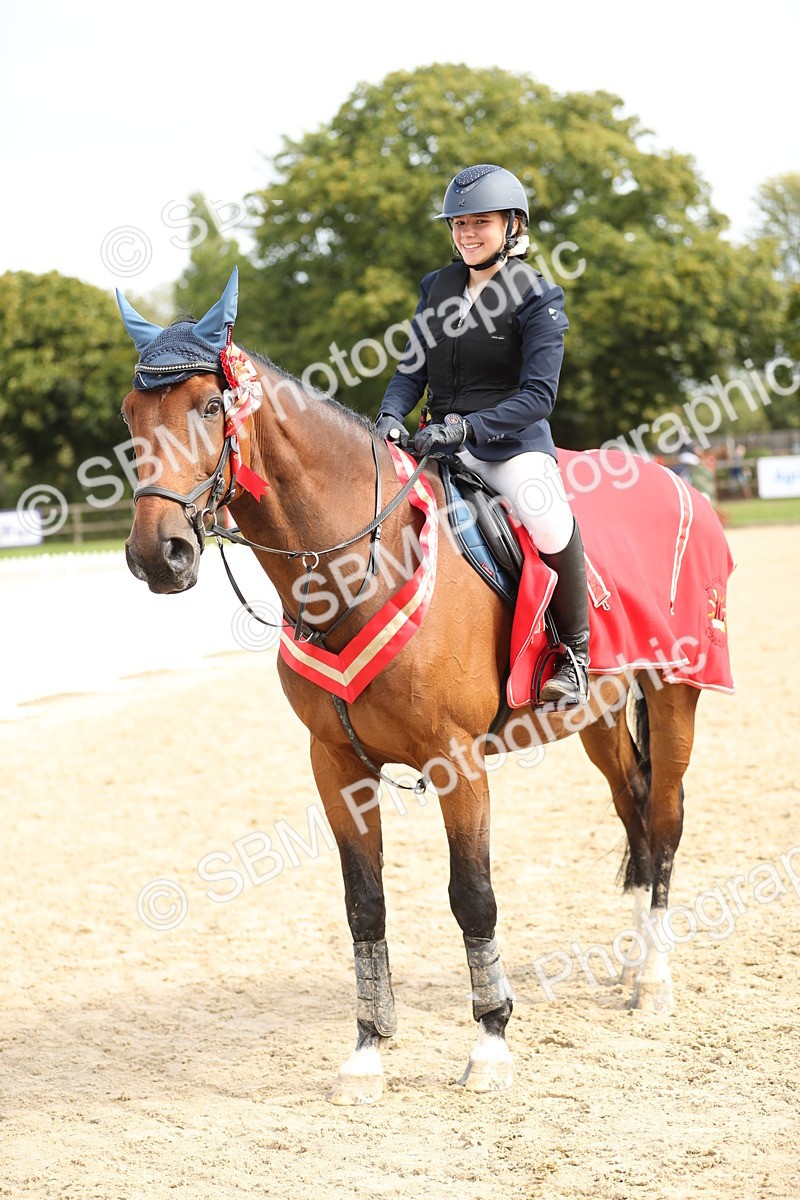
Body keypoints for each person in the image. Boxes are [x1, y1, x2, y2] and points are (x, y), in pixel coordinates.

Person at [376, 163, 589, 706]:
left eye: (481, 223)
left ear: (512, 226)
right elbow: (410, 372)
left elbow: (538, 396)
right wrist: (391, 417)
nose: (468, 234)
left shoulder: (538, 296)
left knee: (547, 517)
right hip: (437, 448)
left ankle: (575, 654)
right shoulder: (438, 287)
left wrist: (466, 429)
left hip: (509, 447)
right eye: (459, 224)